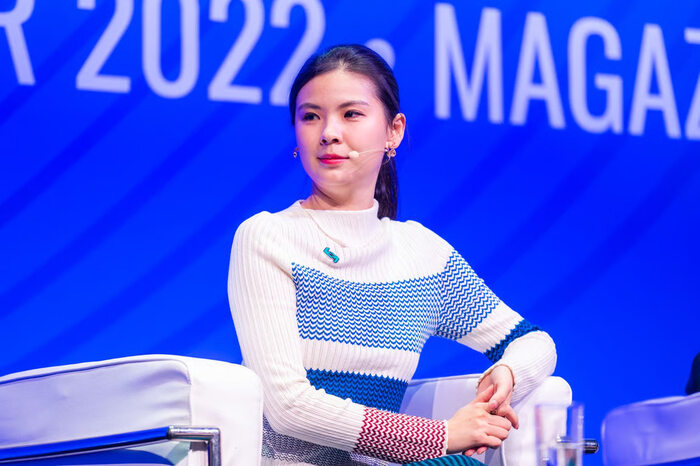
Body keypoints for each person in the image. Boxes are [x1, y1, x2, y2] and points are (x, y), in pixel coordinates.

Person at [227, 44, 557, 466]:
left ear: (393, 132)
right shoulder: (267, 237)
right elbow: (288, 407)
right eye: (310, 116)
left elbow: (533, 342)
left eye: (351, 114)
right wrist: (442, 436)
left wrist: (506, 374)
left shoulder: (422, 255)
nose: (328, 132)